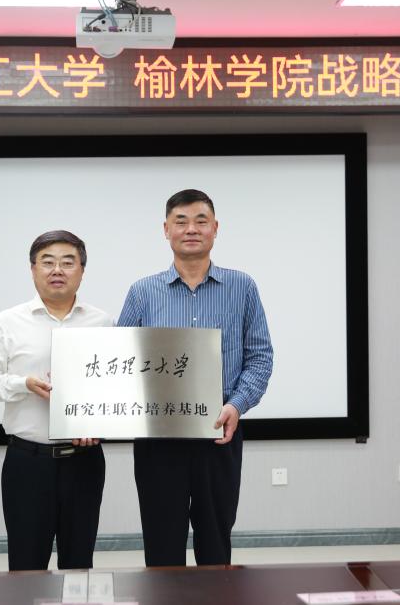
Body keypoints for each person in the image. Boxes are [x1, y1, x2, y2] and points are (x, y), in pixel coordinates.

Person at [118, 189, 273, 567]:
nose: (191, 229)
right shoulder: (142, 292)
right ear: (166, 229)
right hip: (158, 440)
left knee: (216, 543)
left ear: (215, 228)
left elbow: (260, 357)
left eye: (201, 221)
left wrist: (237, 405)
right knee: (162, 545)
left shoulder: (242, 287)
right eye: (181, 221)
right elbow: (119, 362)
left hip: (218, 434)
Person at [0, 230, 112, 571]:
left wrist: (99, 425)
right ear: (33, 269)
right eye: (47, 262)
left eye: (68, 262)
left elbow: (113, 388)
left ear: (82, 270)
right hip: (28, 462)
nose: (57, 270)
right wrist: (24, 384)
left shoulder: (103, 322)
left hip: (84, 462)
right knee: (26, 565)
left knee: (79, 565)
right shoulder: (8, 322)